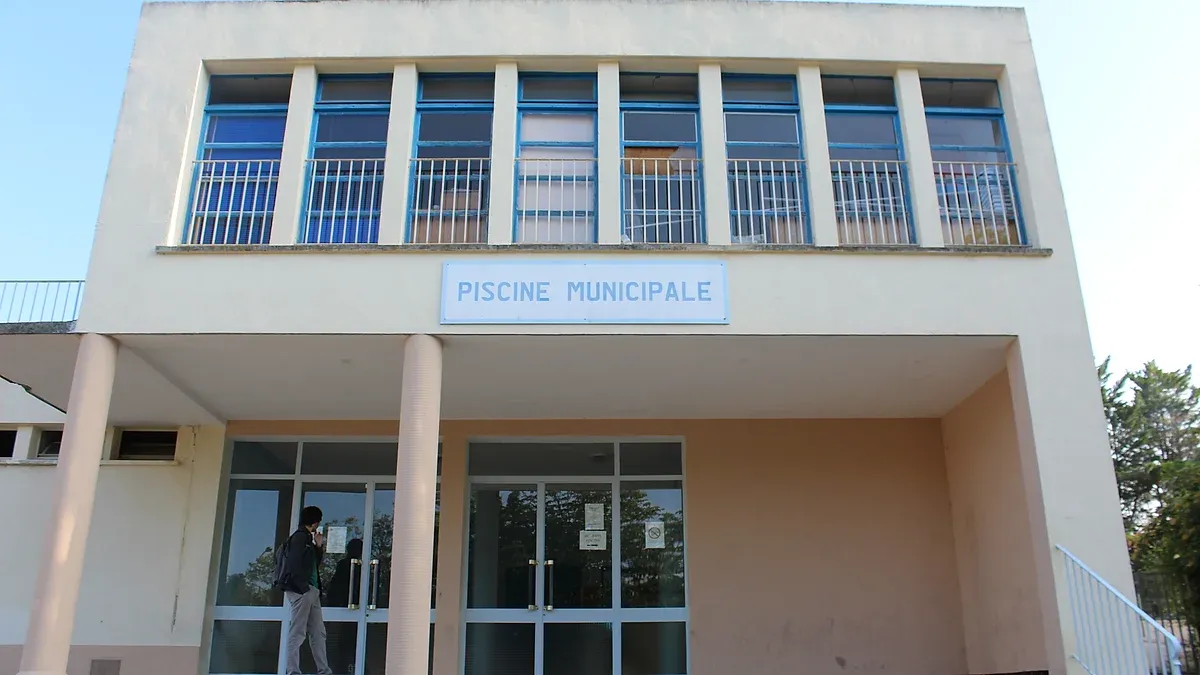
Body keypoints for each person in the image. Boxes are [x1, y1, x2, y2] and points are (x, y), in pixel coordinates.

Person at [278, 505, 332, 675]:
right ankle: (293, 671)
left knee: (318, 632)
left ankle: (324, 670)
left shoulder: (307, 539)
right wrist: (303, 589)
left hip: (311, 591)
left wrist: (318, 546)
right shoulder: (300, 537)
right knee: (298, 632)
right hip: (303, 590)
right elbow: (294, 565)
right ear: (315, 522)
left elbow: (314, 564)